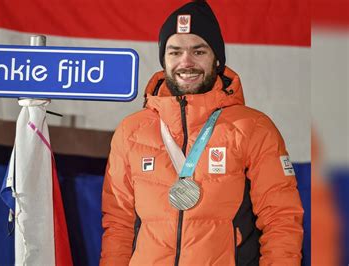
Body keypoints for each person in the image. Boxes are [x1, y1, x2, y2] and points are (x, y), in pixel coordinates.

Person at [100, 1, 304, 265]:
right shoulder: (131, 131)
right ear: (164, 59)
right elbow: (118, 225)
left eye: (198, 51)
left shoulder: (254, 128)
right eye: (175, 52)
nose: (186, 62)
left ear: (217, 58)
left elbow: (282, 220)